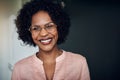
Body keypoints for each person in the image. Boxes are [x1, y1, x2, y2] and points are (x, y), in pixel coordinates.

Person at [11, 0, 90, 80]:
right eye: (36, 28)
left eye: (49, 26)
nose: (43, 33)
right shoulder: (19, 69)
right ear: (29, 32)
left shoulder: (79, 63)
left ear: (59, 27)